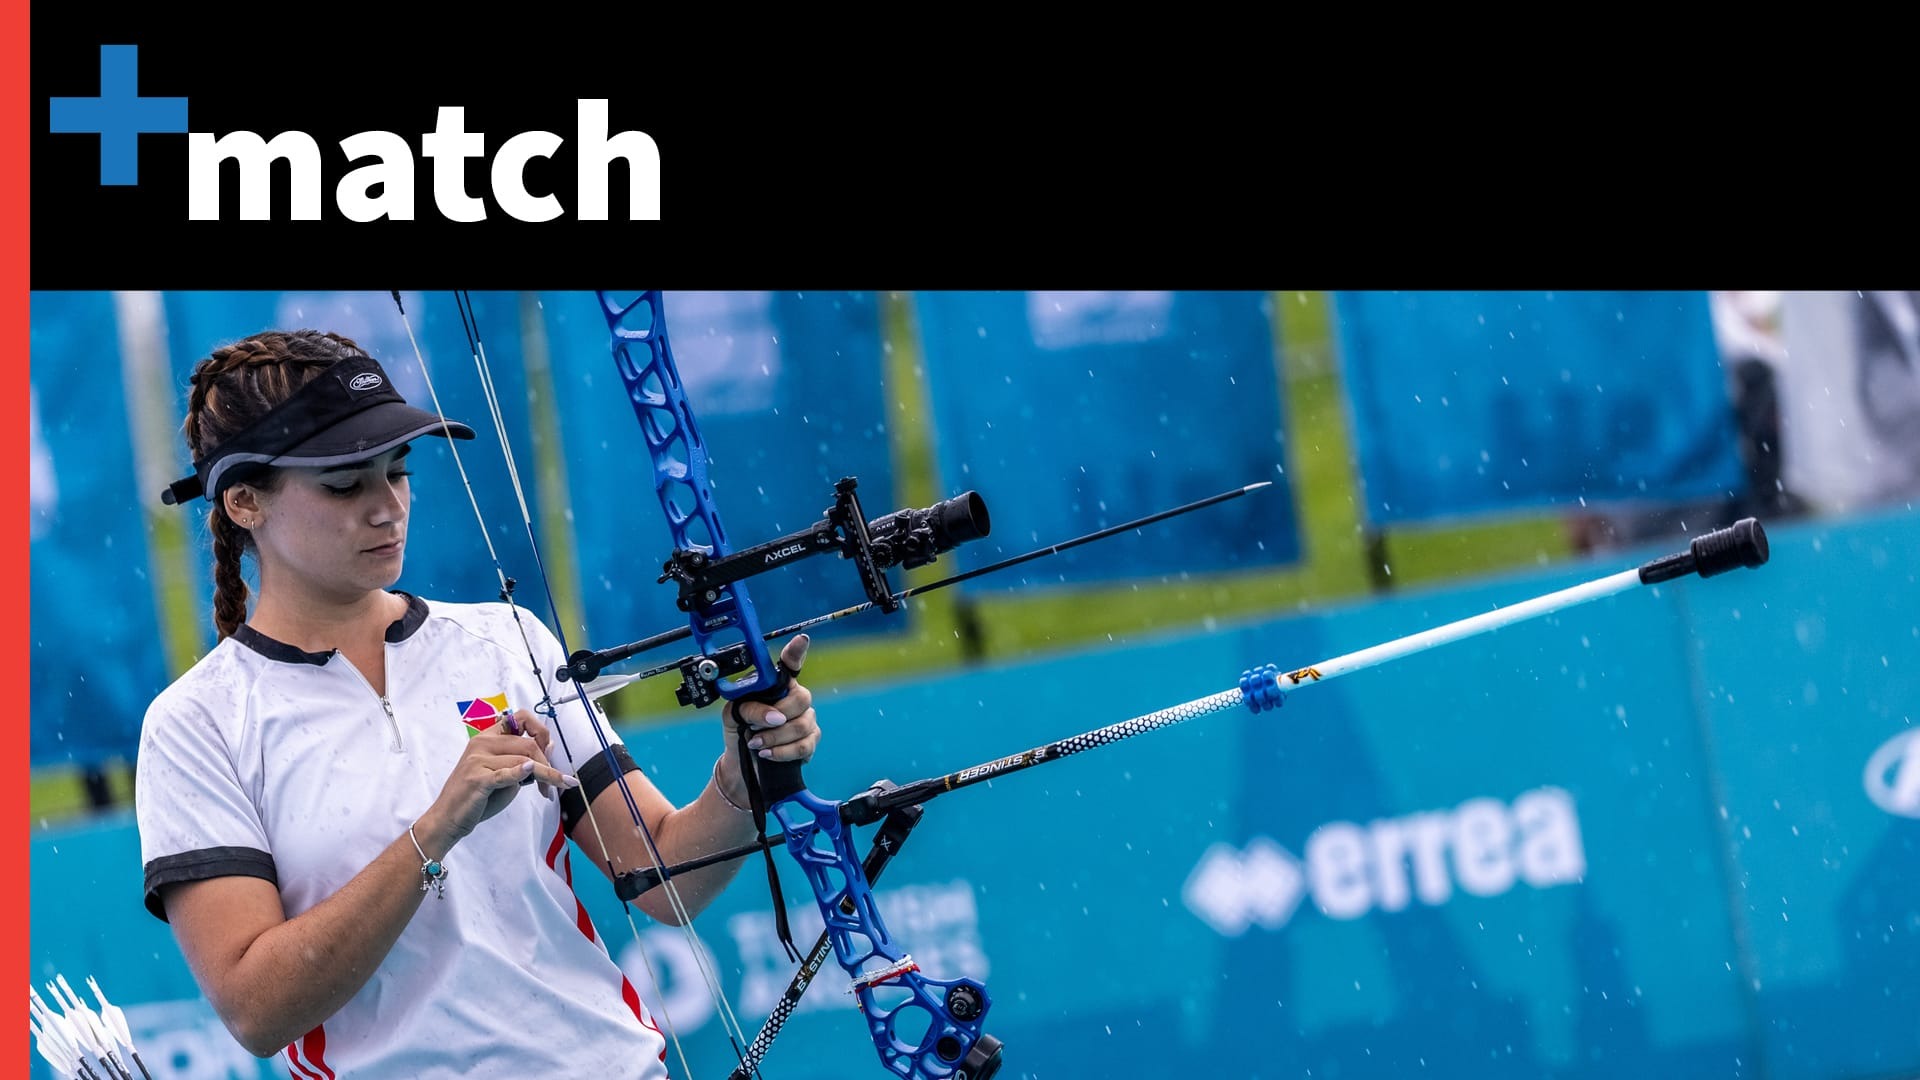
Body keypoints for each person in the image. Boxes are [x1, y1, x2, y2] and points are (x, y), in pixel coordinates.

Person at [134, 329, 820, 1078]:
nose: (387, 507)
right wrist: (436, 830)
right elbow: (259, 1010)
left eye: (398, 472)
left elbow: (666, 879)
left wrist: (742, 775)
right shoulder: (195, 724)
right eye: (344, 485)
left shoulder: (504, 639)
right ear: (243, 502)